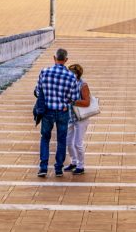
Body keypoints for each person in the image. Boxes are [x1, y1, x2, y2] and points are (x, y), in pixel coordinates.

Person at [34, 48, 81, 177]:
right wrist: (65, 102)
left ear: (54, 58)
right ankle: (58, 168)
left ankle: (43, 167)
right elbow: (75, 97)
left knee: (45, 138)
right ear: (66, 60)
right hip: (62, 111)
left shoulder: (44, 72)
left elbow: (38, 92)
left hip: (47, 111)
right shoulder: (71, 76)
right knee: (61, 140)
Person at [65, 63, 92, 175]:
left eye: (71, 73)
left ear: (77, 74)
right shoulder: (68, 84)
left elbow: (87, 102)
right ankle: (74, 162)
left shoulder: (83, 84)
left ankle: (81, 166)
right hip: (71, 117)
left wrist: (73, 101)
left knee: (78, 143)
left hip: (81, 118)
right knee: (68, 142)